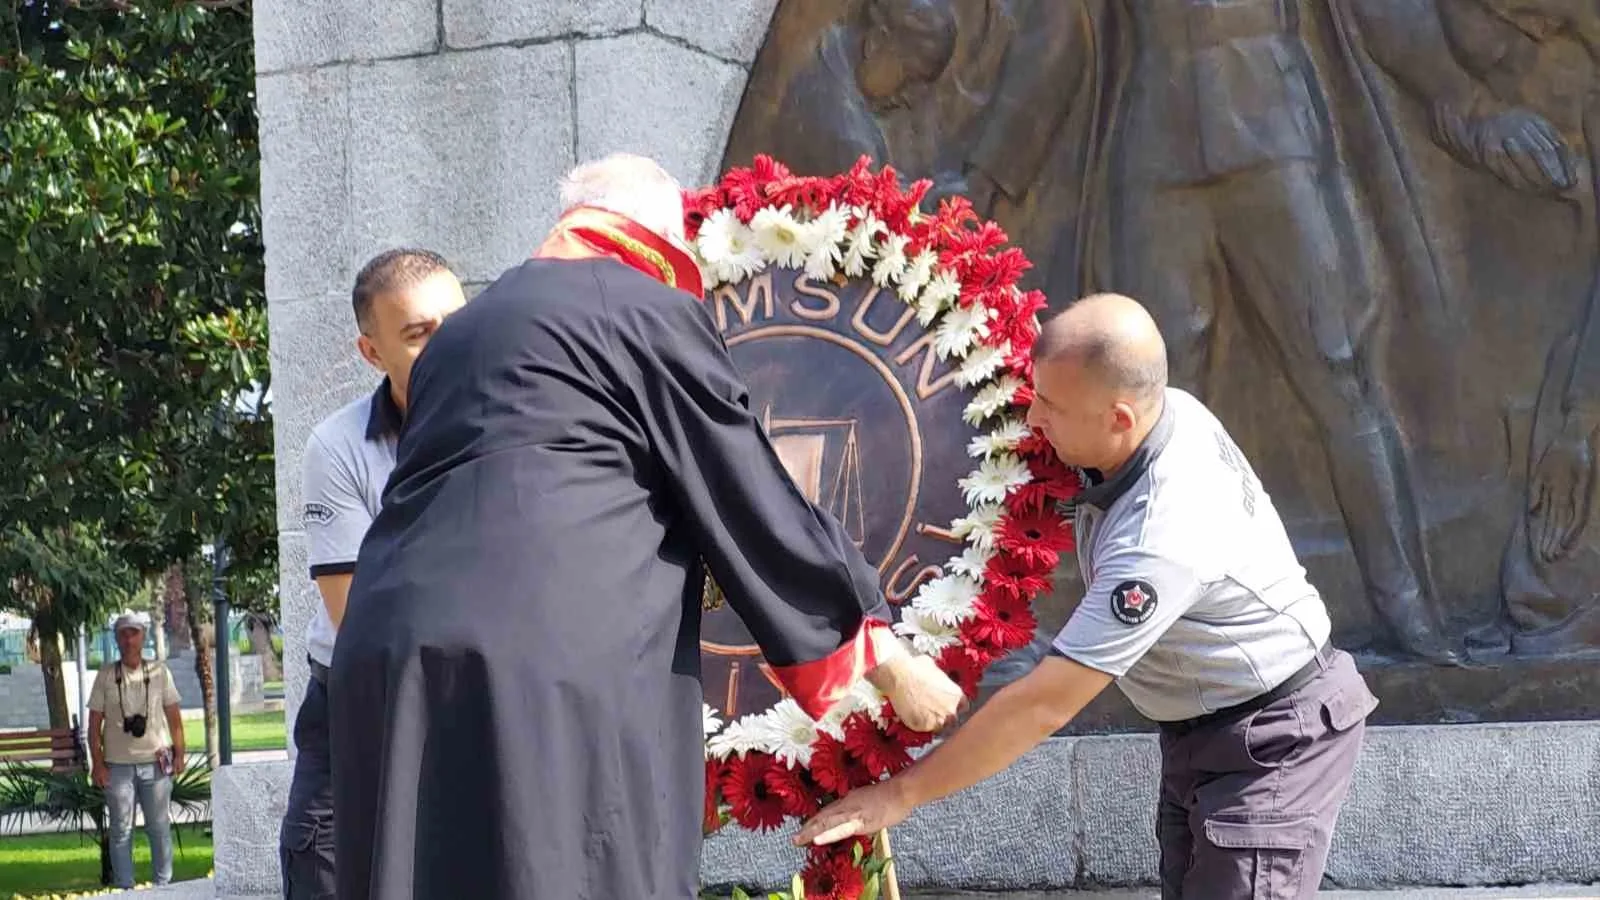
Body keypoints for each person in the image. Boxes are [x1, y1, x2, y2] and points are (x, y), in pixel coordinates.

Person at [328, 152, 965, 900]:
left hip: (393, 647)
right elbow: (745, 484)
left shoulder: (467, 332)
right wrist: (884, 654)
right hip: (540, 662)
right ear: (658, 237)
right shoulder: (639, 305)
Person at [797, 294, 1381, 900]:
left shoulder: (1162, 537)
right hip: (1201, 731)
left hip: (1272, 739)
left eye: (1050, 405)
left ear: (1119, 418)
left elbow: (1043, 706)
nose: (1035, 419)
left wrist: (900, 794)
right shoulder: (1164, 408)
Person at [278, 248, 467, 899]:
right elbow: (359, 620)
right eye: (417, 334)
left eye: (455, 324)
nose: (445, 347)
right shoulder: (338, 447)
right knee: (324, 870)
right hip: (357, 700)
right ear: (372, 352)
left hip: (479, 697)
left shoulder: (520, 426)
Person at [87, 613, 184, 889]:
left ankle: (164, 887)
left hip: (156, 763)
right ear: (116, 639)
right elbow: (94, 724)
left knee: (159, 827)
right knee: (120, 831)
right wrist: (98, 763)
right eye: (123, 634)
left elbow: (174, 717)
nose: (129, 639)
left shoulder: (159, 671)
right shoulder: (106, 674)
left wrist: (180, 753)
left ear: (143, 636)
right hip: (117, 766)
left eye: (134, 633)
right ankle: (125, 889)